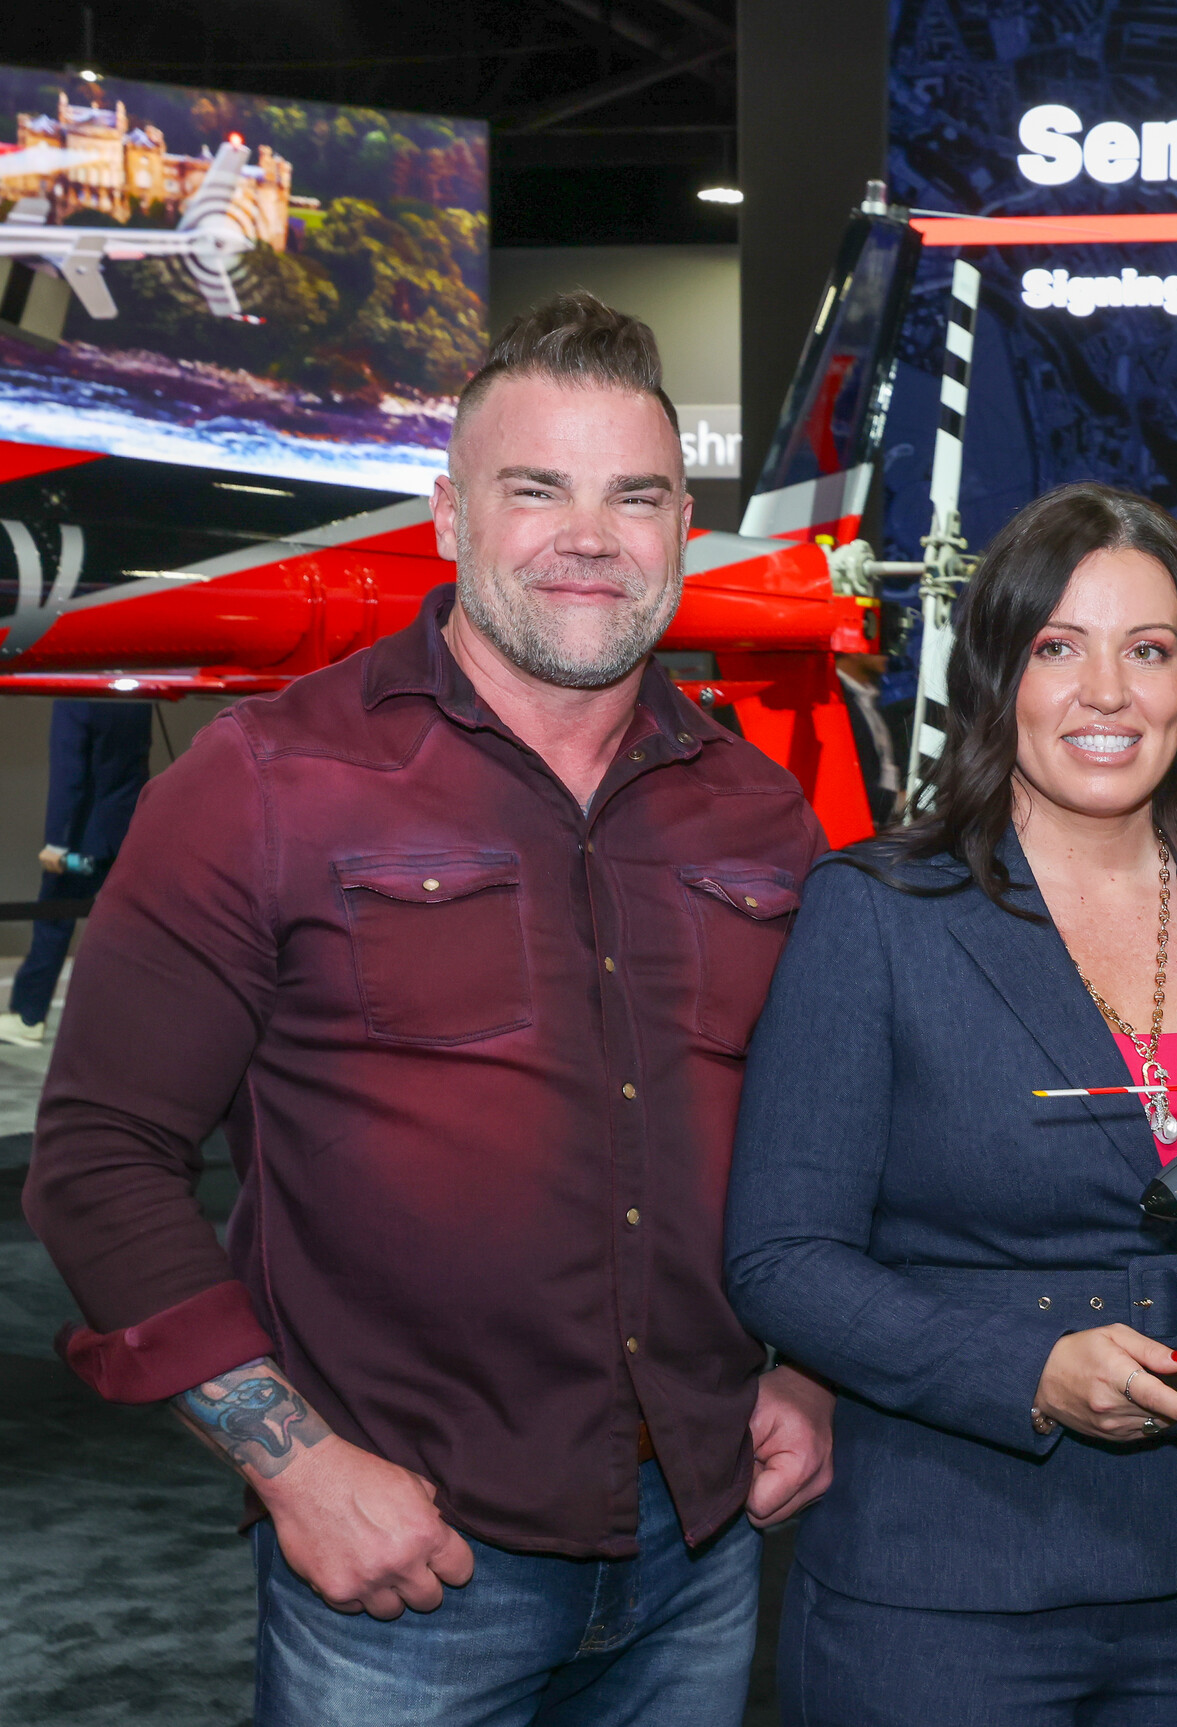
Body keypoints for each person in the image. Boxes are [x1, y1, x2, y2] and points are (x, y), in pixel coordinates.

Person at [24, 293, 834, 1727]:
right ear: (451, 517)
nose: (590, 536)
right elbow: (99, 1157)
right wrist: (291, 1461)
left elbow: (815, 1146)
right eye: (537, 489)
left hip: (702, 1555)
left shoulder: (762, 815)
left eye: (634, 496)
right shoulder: (266, 780)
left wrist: (813, 1373)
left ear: (681, 526)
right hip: (409, 1567)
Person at [725, 482, 1177, 1726]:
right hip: (951, 1583)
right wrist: (1027, 1368)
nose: (1106, 692)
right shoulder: (879, 912)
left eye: (1148, 650)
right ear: (996, 672)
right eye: (1059, 647)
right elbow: (781, 1256)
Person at [0, 698, 151, 1047]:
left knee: (53, 917)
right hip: (128, 833)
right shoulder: (139, 696)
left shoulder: (77, 699)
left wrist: (56, 844)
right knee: (133, 929)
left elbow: (68, 775)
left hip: (83, 846)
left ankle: (28, 1016)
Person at [835, 649, 906, 827]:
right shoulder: (834, 700)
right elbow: (842, 782)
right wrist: (897, 802)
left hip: (887, 823)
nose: (887, 653)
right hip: (856, 824)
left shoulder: (871, 698)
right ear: (853, 650)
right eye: (875, 643)